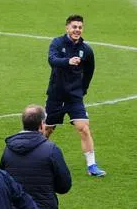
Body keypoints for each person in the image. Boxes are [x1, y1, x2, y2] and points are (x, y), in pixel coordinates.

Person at [42, 14, 105, 177]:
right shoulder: (57, 43)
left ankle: (92, 166)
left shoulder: (86, 50)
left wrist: (82, 89)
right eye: (74, 27)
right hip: (56, 95)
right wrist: (67, 61)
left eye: (80, 27)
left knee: (84, 128)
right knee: (47, 130)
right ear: (67, 28)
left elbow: (89, 71)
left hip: (74, 97)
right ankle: (39, 160)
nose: (77, 30)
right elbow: (52, 60)